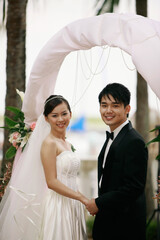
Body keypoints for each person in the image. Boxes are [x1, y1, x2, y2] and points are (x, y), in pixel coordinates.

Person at [0, 95, 88, 240]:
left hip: (72, 203)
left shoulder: (66, 143)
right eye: (55, 115)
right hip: (58, 205)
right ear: (46, 119)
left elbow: (67, 177)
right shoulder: (49, 143)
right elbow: (51, 182)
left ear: (70, 114)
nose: (60, 119)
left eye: (64, 114)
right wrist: (81, 198)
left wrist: (80, 199)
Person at [86, 83, 148, 240]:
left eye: (115, 105)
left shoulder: (134, 141)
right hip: (109, 223)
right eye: (104, 105)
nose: (108, 111)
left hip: (125, 227)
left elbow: (133, 187)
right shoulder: (113, 137)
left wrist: (99, 203)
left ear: (127, 109)